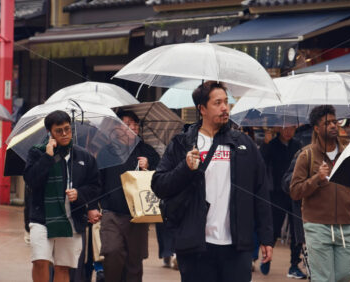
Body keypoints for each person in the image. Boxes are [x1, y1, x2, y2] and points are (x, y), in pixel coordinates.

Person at [151, 81, 273, 282]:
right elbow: (159, 185)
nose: (225, 108)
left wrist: (267, 237)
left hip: (237, 247)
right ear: (202, 109)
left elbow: (261, 192)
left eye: (226, 102)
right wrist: (185, 168)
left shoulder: (244, 144)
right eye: (217, 103)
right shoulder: (182, 143)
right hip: (195, 247)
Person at [290, 105, 350, 282]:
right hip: (317, 227)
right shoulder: (306, 155)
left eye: (335, 121)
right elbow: (295, 191)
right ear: (317, 129)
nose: (333, 125)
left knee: (345, 274)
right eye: (327, 123)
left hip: (345, 227)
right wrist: (317, 178)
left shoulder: (348, 155)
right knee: (323, 278)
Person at [24, 110, 101, 282]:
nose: (65, 134)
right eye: (59, 131)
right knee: (40, 261)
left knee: (62, 267)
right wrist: (48, 157)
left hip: (71, 219)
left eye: (67, 129)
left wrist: (80, 194)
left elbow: (95, 186)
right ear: (49, 133)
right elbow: (31, 181)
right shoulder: (37, 153)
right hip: (42, 218)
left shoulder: (84, 157)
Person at [95, 110, 160, 282]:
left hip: (138, 215)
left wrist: (150, 164)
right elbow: (97, 182)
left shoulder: (147, 151)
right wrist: (93, 207)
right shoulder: (106, 152)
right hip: (112, 213)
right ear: (117, 128)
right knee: (112, 253)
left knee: (134, 263)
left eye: (135, 124)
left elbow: (162, 175)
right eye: (128, 124)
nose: (133, 128)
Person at [260, 126, 306, 279]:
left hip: (294, 193)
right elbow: (261, 163)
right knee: (274, 228)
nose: (288, 131)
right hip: (276, 194)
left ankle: (294, 264)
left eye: (292, 128)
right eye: (285, 128)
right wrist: (265, 145)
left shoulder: (298, 145)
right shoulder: (271, 144)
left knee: (296, 230)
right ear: (278, 128)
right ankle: (267, 256)